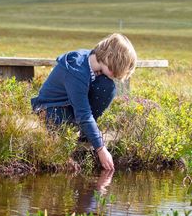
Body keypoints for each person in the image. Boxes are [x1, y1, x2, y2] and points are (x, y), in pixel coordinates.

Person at [31, 33, 137, 170]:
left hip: (69, 107)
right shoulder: (76, 71)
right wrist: (101, 149)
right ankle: (70, 141)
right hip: (51, 110)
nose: (117, 76)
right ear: (110, 58)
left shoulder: (92, 61)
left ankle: (85, 133)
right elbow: (84, 114)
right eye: (117, 71)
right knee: (70, 121)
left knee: (107, 86)